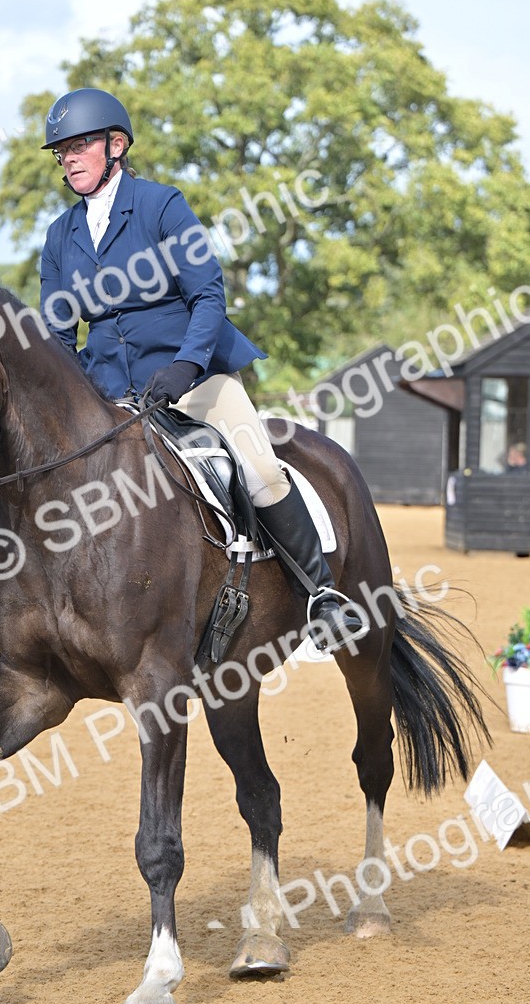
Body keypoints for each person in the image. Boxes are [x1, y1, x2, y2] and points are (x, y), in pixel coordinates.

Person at [39, 87, 364, 652]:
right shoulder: (59, 237)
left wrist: (186, 365)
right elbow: (59, 335)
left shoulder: (162, 206)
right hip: (109, 392)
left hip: (192, 380)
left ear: (116, 146)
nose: (70, 158)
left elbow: (208, 295)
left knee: (260, 468)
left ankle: (321, 593)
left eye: (81, 144)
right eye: (62, 150)